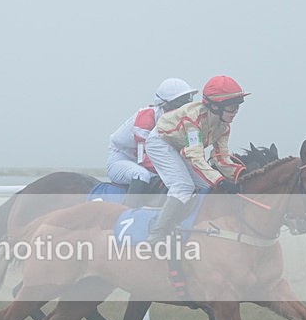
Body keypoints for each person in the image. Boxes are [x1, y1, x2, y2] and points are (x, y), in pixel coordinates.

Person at [144, 75, 249, 242]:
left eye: (238, 107)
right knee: (183, 186)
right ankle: (157, 233)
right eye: (232, 107)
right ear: (215, 106)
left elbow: (221, 159)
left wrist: (241, 175)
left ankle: (186, 224)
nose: (236, 112)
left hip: (181, 145)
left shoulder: (224, 126)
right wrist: (221, 180)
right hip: (160, 142)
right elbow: (195, 156)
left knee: (207, 186)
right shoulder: (193, 119)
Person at [106, 78, 198, 206]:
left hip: (144, 160)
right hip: (121, 160)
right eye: (181, 104)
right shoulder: (146, 118)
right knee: (141, 174)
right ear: (165, 105)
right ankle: (125, 213)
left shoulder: (185, 122)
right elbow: (143, 160)